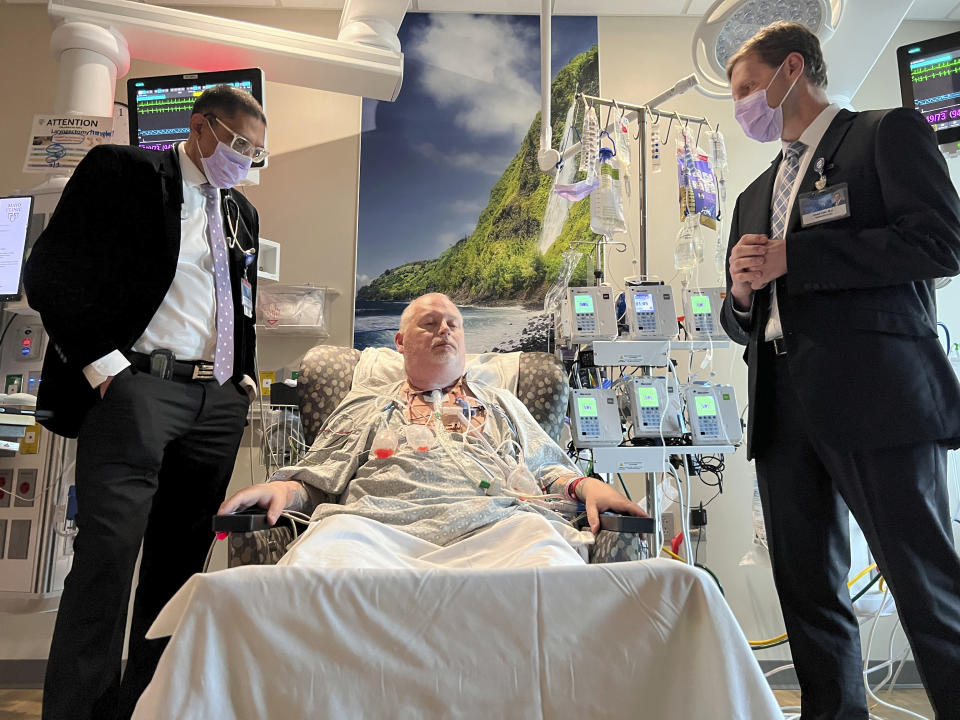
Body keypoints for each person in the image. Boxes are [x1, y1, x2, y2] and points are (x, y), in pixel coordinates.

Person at [720, 21, 960, 719]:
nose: (741, 108)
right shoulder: (753, 196)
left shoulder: (885, 136)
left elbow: (940, 243)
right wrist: (738, 294)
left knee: (926, 586)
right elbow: (744, 322)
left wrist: (804, 259)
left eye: (744, 90)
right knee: (809, 596)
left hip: (878, 395)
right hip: (782, 407)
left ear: (791, 68)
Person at [24, 85, 266, 720]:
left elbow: (237, 301)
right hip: (136, 391)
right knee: (106, 560)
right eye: (240, 144)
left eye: (257, 154)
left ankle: (150, 706)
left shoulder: (242, 213)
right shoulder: (125, 172)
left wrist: (243, 377)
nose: (245, 161)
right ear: (202, 128)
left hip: (214, 405)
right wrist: (106, 368)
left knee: (178, 569)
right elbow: (50, 272)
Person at [220, 292, 642, 567]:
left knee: (550, 564)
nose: (444, 329)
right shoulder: (366, 403)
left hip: (501, 529)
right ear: (400, 342)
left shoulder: (502, 405)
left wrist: (589, 488)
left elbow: (550, 472)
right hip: (372, 533)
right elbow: (318, 482)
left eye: (453, 324)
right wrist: (282, 490)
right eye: (430, 323)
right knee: (317, 568)